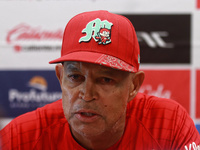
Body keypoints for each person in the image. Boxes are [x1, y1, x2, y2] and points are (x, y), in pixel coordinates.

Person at [0, 10, 199, 150]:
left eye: (105, 79)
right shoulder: (19, 138)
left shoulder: (168, 125)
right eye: (75, 77)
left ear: (133, 86)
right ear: (60, 78)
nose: (86, 95)